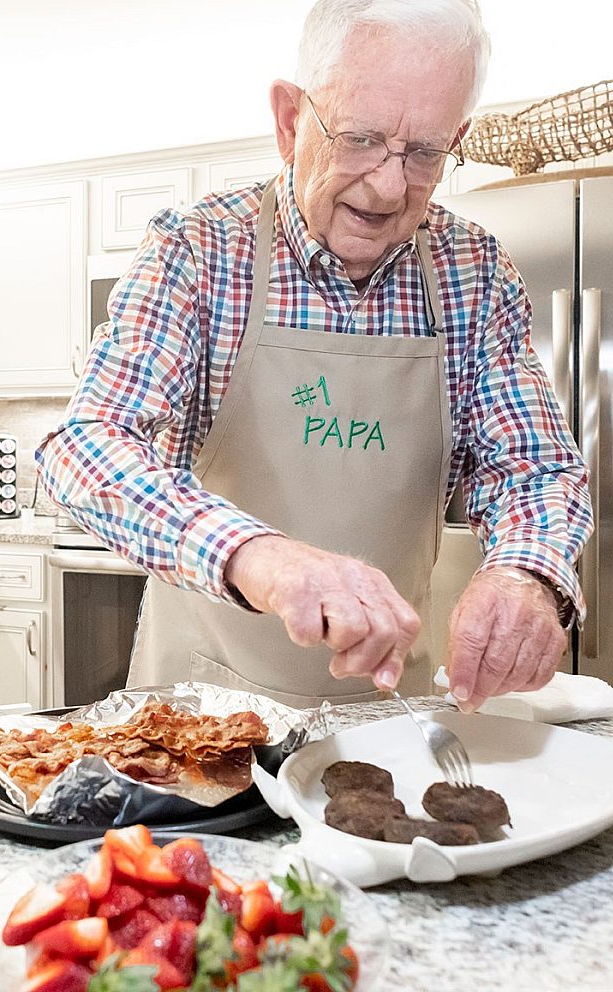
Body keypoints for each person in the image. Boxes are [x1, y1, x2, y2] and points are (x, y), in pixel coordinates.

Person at [36, 0, 593, 711]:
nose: (391, 187)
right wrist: (258, 556)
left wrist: (526, 572)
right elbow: (84, 445)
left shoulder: (472, 272)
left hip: (387, 713)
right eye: (361, 138)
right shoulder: (201, 250)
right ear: (290, 120)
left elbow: (535, 468)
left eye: (424, 153)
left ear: (455, 137)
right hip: (199, 710)